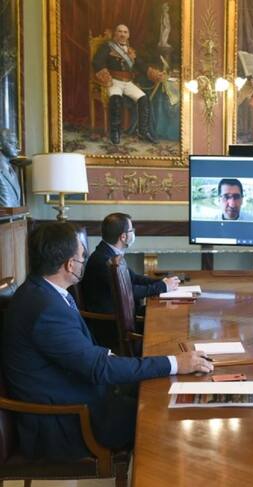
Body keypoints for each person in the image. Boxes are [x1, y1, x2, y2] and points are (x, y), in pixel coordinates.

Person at [1, 222, 212, 460]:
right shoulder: (46, 309)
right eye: (82, 256)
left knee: (160, 388)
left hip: (81, 393)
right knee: (162, 411)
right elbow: (99, 369)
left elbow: (86, 357)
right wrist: (175, 363)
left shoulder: (41, 291)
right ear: (70, 265)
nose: (84, 260)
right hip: (67, 421)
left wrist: (166, 364)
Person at [82, 213, 180, 316]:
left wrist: (162, 281)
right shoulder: (104, 260)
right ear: (123, 237)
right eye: (131, 230)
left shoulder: (110, 252)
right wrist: (162, 286)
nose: (133, 232)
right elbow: (127, 291)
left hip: (124, 312)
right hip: (112, 320)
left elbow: (133, 278)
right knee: (168, 313)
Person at [92, 24, 161, 145]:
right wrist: (106, 77)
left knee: (144, 98)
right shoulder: (107, 47)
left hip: (128, 82)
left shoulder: (130, 50)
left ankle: (143, 132)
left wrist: (153, 73)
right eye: (120, 31)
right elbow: (97, 61)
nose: (122, 34)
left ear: (128, 35)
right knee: (116, 99)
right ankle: (115, 132)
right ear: (115, 33)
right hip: (114, 81)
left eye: (125, 32)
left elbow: (140, 64)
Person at [0, 128, 21, 207]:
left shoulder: (12, 170)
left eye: (16, 143)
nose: (17, 148)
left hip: (15, 214)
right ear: (0, 144)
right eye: (12, 143)